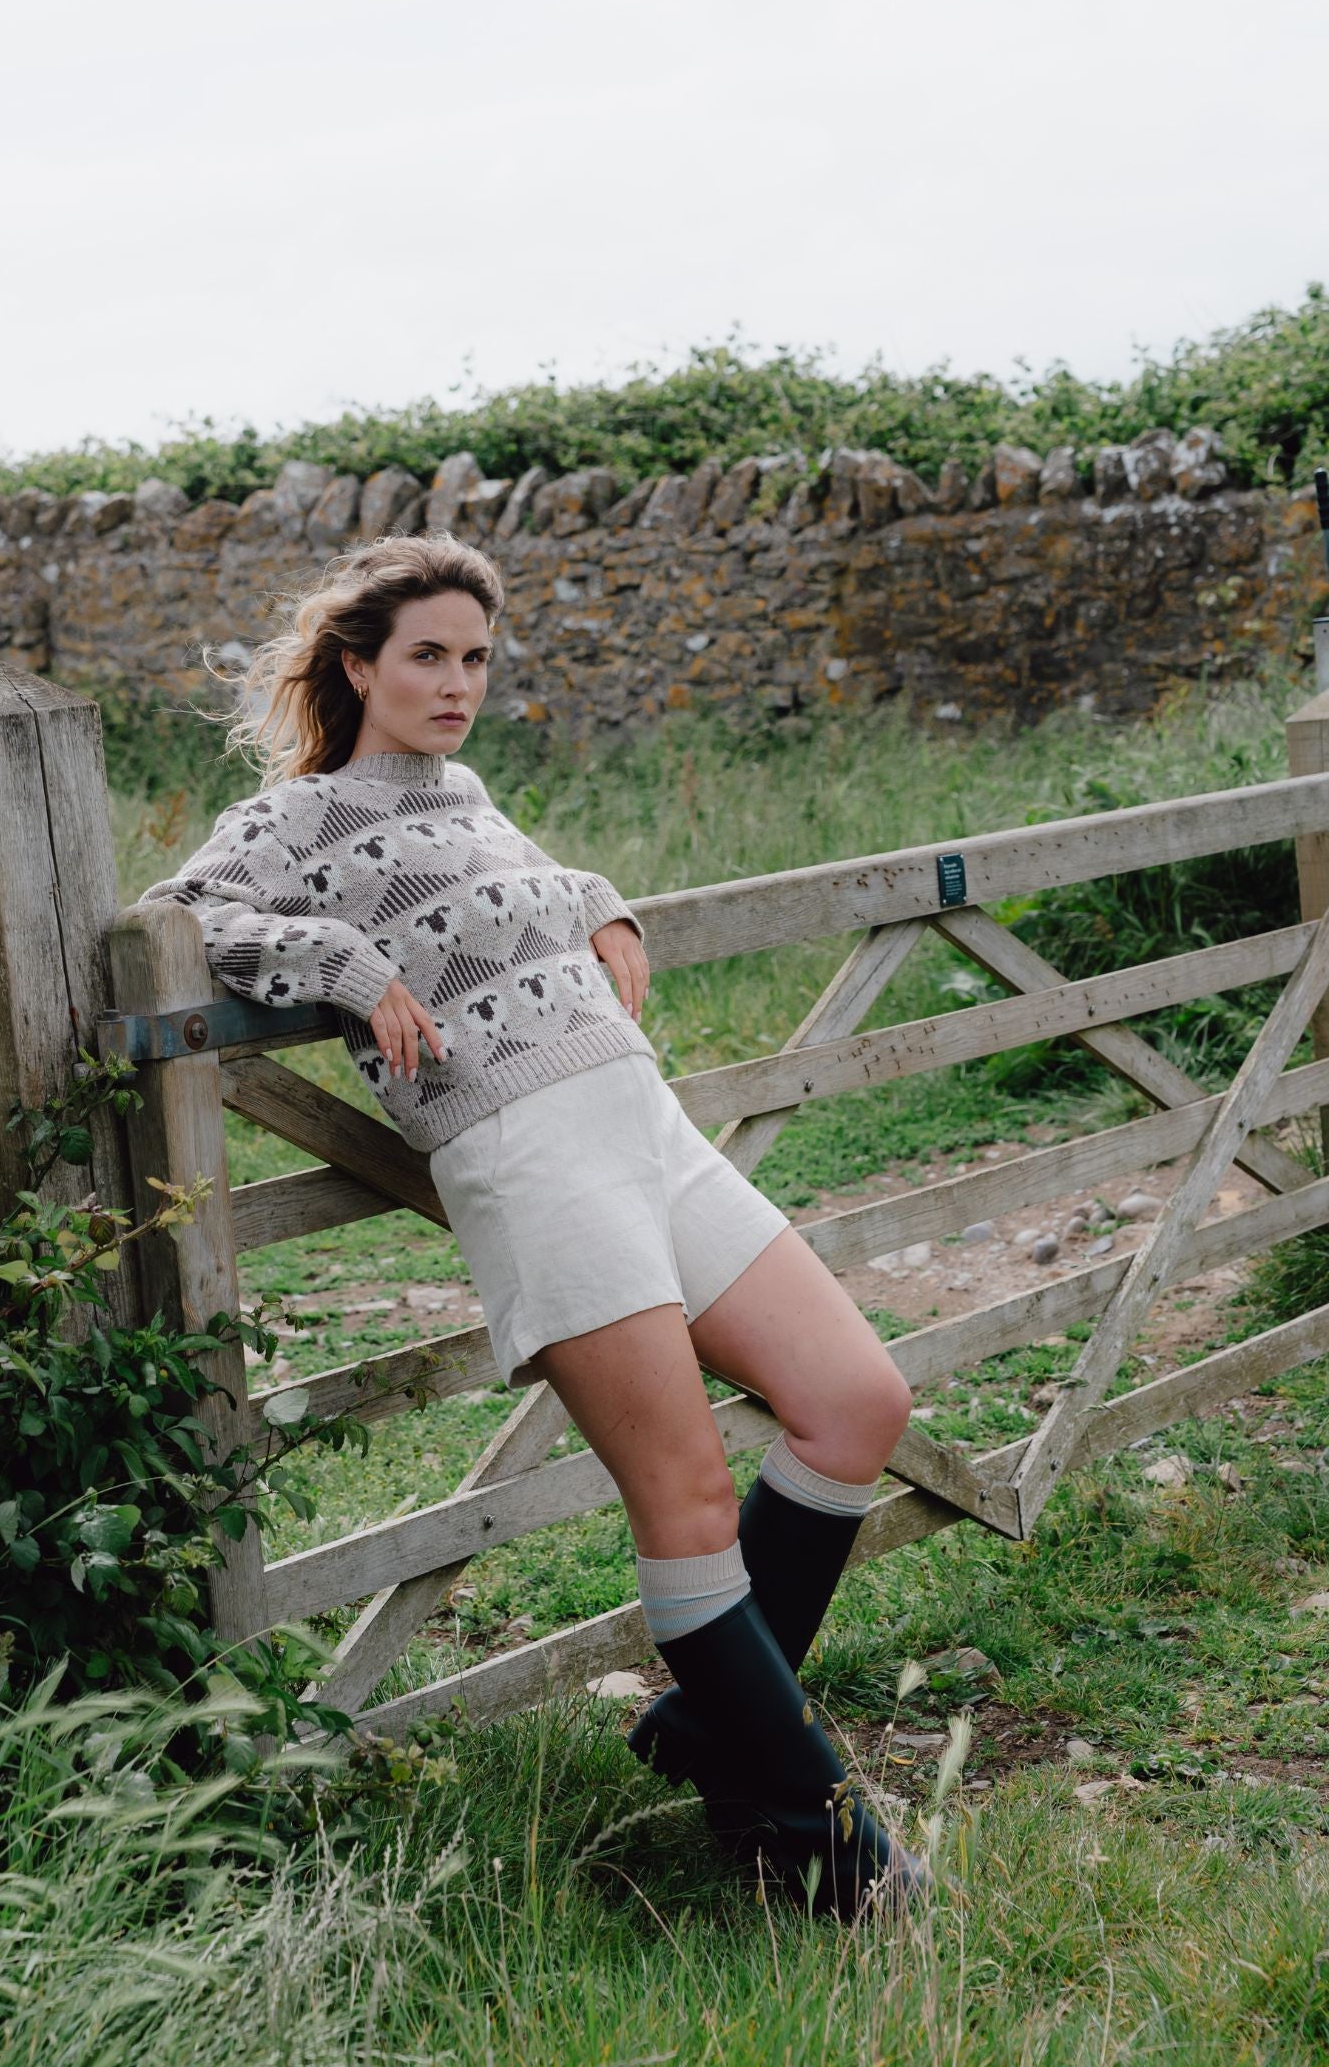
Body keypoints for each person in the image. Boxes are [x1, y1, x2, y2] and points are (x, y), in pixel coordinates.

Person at [139, 528, 926, 1920]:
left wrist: (599, 899)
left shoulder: (470, 790)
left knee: (857, 1401)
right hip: (528, 1160)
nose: (455, 684)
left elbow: (513, 890)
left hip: (644, 1129)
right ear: (357, 665)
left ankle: (711, 1729)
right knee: (683, 1503)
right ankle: (826, 1848)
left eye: (475, 659)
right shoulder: (296, 821)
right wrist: (339, 959)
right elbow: (175, 919)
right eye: (426, 656)